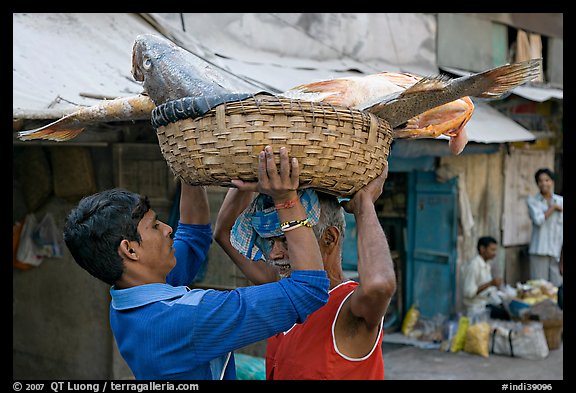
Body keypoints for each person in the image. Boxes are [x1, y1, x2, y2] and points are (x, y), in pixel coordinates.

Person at [62, 146, 329, 380]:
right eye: (155, 226)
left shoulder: (131, 297)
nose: (168, 229)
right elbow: (308, 290)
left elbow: (192, 235)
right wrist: (286, 200)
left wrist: (189, 161)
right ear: (130, 250)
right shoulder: (185, 318)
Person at [214, 160, 396, 380]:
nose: (274, 254)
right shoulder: (285, 293)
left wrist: (364, 205)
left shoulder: (348, 307)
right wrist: (250, 173)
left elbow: (379, 285)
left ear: (329, 239)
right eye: (270, 243)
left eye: (285, 240)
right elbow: (225, 233)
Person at [526, 168, 563, 287]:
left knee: (556, 286)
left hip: (556, 251)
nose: (544, 183)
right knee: (539, 286)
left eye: (547, 180)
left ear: (552, 182)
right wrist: (552, 208)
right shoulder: (533, 201)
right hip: (539, 250)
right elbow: (538, 220)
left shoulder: (560, 201)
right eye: (540, 181)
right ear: (537, 183)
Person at [461, 236, 510, 320]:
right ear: (482, 249)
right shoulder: (474, 265)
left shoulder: (486, 265)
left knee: (507, 309)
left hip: (485, 303)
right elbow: (468, 293)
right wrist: (490, 284)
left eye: (495, 250)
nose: (495, 253)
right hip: (476, 307)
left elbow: (490, 292)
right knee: (504, 315)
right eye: (492, 250)